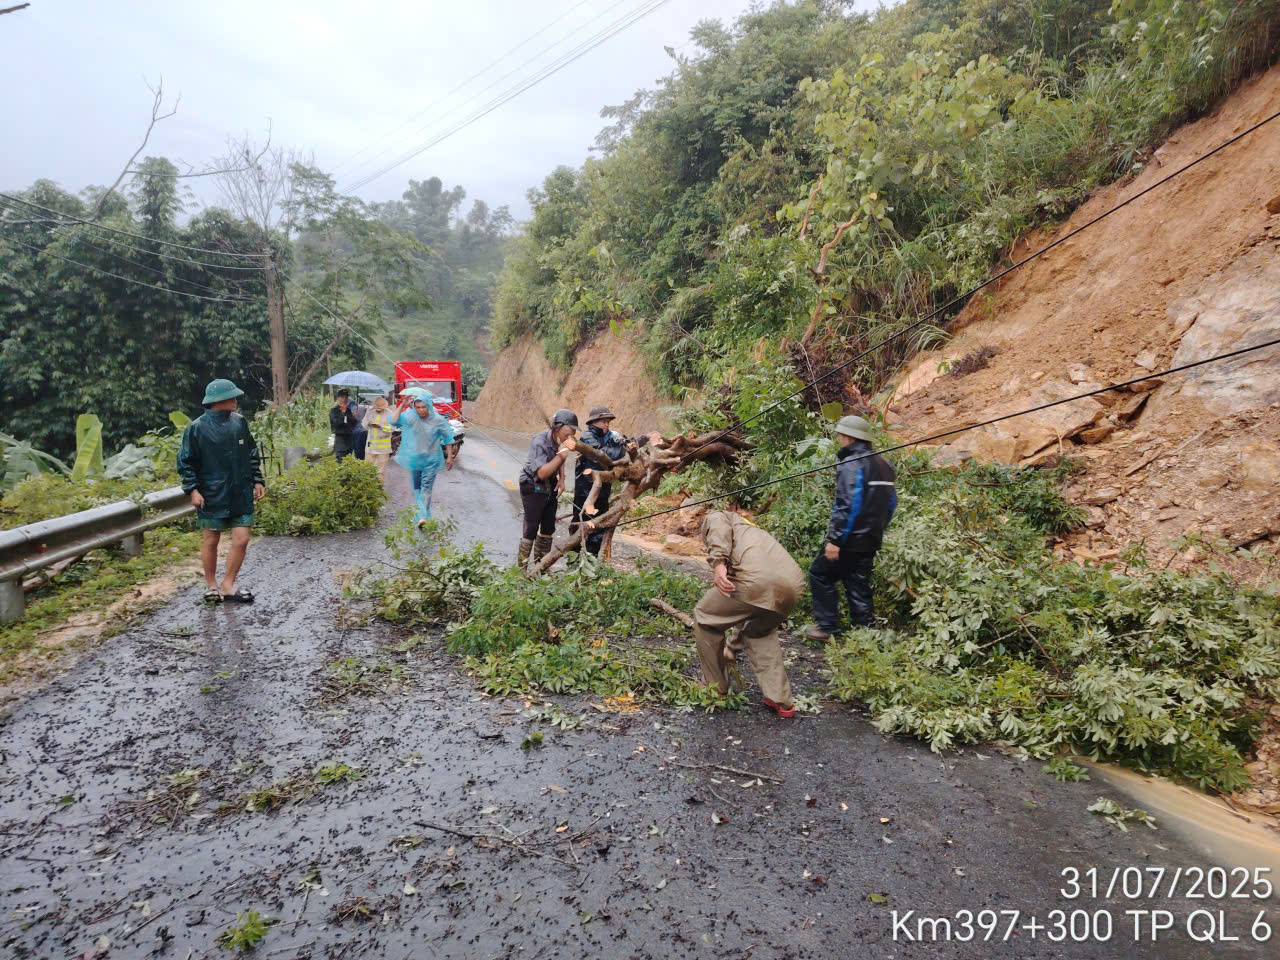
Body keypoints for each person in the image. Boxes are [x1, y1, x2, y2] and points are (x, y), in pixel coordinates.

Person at [694, 510, 805, 718]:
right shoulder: (755, 532)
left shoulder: (719, 515)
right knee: (760, 632)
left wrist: (718, 564)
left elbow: (717, 526)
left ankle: (715, 687)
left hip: (756, 581)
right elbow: (746, 610)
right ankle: (781, 700)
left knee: (705, 618)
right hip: (794, 587)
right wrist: (732, 647)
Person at [807, 415, 897, 641]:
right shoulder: (885, 464)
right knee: (857, 583)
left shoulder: (851, 464)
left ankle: (827, 627)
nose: (839, 439)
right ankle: (865, 634)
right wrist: (877, 530)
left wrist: (835, 540)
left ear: (848, 437)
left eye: (840, 435)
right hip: (871, 539)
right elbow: (891, 503)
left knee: (820, 574)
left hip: (850, 540)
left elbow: (848, 505)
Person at [176, 378, 266, 604]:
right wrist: (193, 489)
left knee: (242, 539)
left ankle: (228, 584)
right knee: (211, 540)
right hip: (211, 492)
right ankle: (211, 586)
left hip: (240, 490)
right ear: (218, 400)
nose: (235, 400)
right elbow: (186, 462)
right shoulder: (196, 428)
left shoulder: (239, 422)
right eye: (231, 397)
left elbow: (251, 453)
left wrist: (257, 479)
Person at [517, 408, 578, 570]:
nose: (572, 433)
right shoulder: (540, 441)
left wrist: (562, 478)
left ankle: (540, 568)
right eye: (570, 429)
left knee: (548, 528)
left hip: (550, 485)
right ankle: (521, 571)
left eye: (574, 430)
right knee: (531, 528)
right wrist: (562, 455)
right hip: (532, 485)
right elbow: (542, 473)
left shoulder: (560, 439)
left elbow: (560, 456)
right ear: (558, 426)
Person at [391, 394, 456, 528]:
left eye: (423, 407)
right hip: (415, 459)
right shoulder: (411, 417)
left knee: (426, 487)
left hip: (431, 460)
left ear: (429, 406)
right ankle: (424, 515)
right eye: (418, 407)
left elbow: (448, 438)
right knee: (417, 488)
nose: (421, 410)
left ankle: (422, 516)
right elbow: (394, 421)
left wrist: (449, 457)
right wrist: (402, 405)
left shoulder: (438, 420)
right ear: (414, 407)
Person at [362, 395, 395, 483]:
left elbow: (392, 428)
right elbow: (364, 424)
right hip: (371, 446)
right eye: (377, 408)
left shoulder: (389, 413)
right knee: (367, 468)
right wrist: (368, 423)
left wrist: (382, 427)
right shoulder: (370, 411)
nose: (378, 410)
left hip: (383, 448)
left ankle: (379, 487)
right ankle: (368, 486)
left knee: (381, 471)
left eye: (380, 409)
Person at [330, 390, 358, 461]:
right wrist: (343, 413)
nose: (344, 399)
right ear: (338, 398)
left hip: (349, 437)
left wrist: (355, 417)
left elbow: (352, 424)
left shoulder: (348, 410)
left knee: (348, 459)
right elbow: (336, 423)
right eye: (342, 397)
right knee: (340, 458)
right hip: (340, 437)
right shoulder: (334, 410)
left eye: (346, 397)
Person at [351, 396, 368, 461]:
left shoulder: (350, 409)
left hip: (354, 431)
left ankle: (357, 459)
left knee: (356, 447)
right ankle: (361, 460)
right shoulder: (364, 408)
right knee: (362, 447)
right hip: (363, 431)